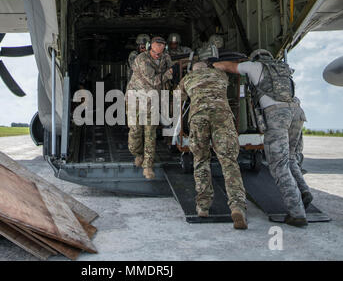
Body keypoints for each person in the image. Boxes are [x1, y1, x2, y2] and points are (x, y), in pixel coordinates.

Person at [213, 49, 313, 228]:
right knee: (290, 158)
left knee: (279, 165)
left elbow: (228, 66)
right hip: (297, 112)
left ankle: (297, 213)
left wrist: (212, 64)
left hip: (277, 115)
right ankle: (304, 192)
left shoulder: (254, 66)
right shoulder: (283, 68)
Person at [177, 61, 248, 229]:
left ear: (193, 70)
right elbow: (228, 84)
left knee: (201, 160)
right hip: (221, 116)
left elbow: (178, 98)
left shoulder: (188, 78)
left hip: (198, 117)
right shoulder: (220, 75)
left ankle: (203, 206)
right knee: (229, 161)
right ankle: (237, 206)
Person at [126, 37, 173, 179]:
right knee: (134, 133)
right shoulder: (141, 59)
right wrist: (167, 74)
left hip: (152, 102)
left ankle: (148, 166)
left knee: (150, 135)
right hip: (135, 100)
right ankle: (138, 154)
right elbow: (153, 81)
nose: (157, 55)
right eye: (154, 52)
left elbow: (172, 67)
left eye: (160, 53)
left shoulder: (165, 57)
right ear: (148, 48)